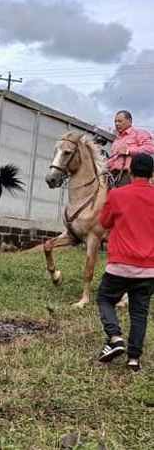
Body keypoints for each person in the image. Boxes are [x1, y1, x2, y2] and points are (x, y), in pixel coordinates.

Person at [97, 153, 154, 372]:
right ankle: (134, 360)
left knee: (104, 298)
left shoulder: (118, 194)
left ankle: (114, 336)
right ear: (152, 174)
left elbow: (104, 221)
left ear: (129, 171)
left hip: (120, 264)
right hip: (149, 269)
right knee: (139, 312)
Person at [106, 110, 154, 187]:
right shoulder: (117, 140)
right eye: (115, 122)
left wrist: (129, 150)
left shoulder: (139, 133)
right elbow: (114, 158)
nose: (117, 124)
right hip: (113, 174)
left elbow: (150, 148)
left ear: (129, 121)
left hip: (128, 174)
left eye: (120, 121)